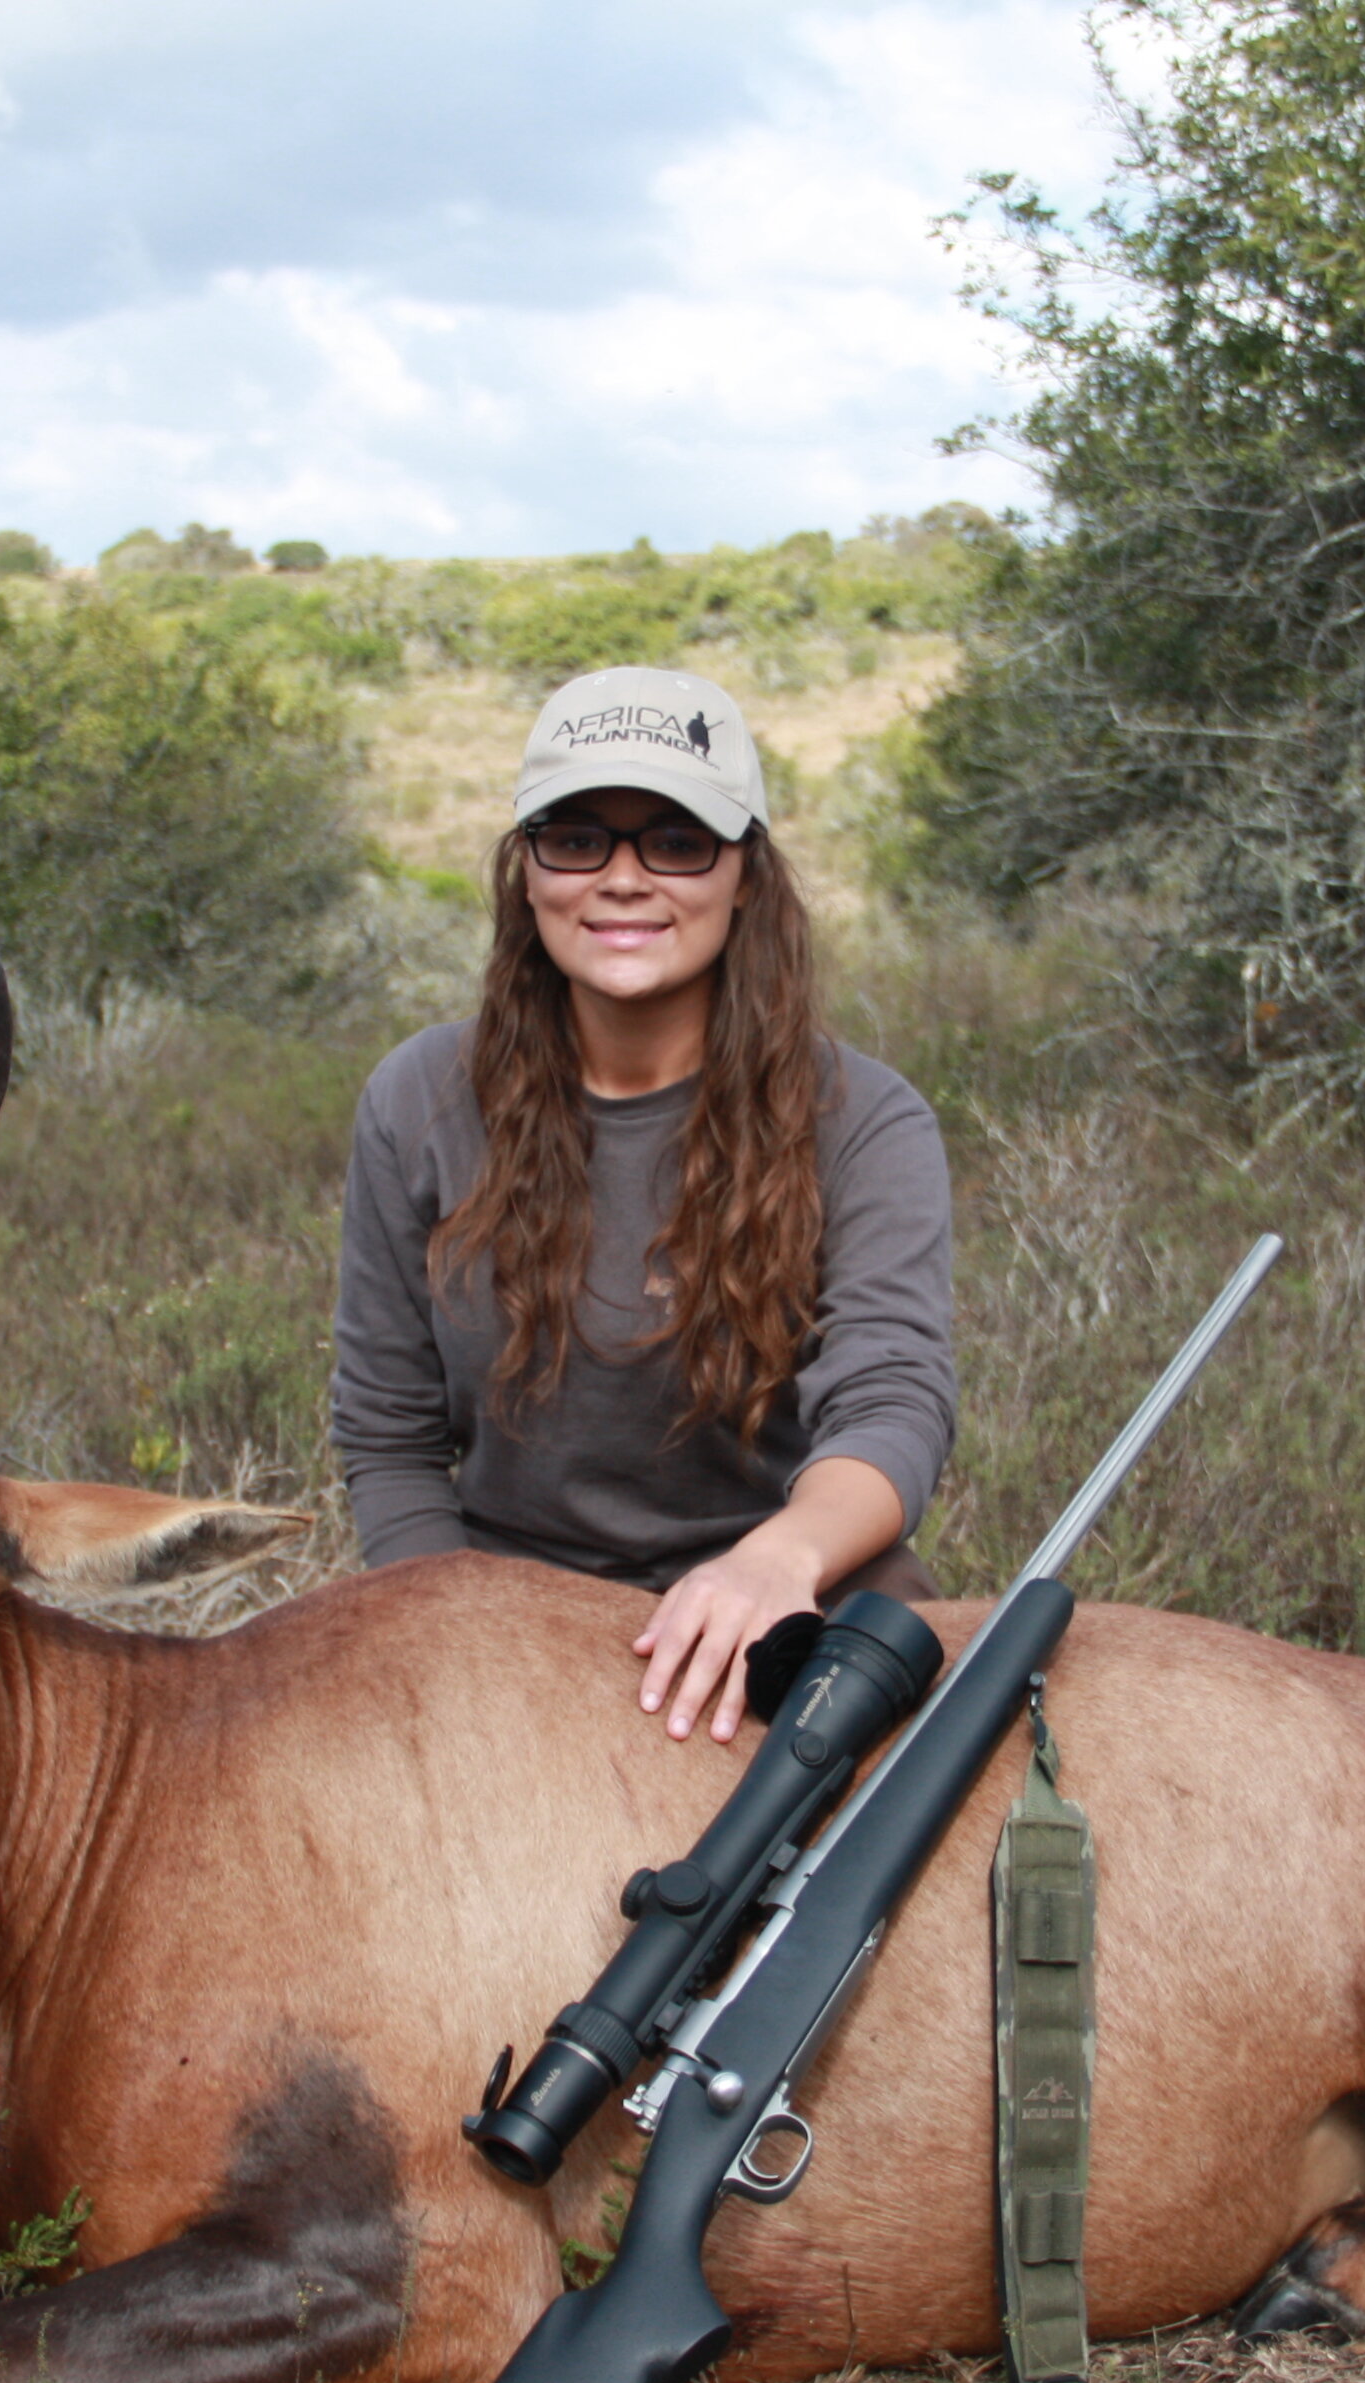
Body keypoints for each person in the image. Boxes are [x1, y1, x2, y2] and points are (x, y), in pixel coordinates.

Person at [332, 665, 957, 1745]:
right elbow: (388, 1435)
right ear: (525, 872)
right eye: (576, 839)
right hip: (501, 1617)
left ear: (746, 874)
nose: (623, 879)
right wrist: (462, 1633)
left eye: (676, 841)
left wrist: (780, 1557)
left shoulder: (865, 1118)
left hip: (791, 1613)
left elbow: (893, 1403)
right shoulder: (417, 1100)